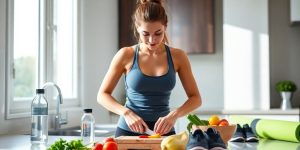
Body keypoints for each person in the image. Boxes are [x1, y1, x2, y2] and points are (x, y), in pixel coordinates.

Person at [97, 0, 202, 137]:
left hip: (164, 133)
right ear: (137, 28)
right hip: (128, 131)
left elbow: (196, 98)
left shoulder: (178, 56)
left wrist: (174, 115)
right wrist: (126, 112)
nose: (152, 40)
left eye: (158, 33)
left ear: (165, 26)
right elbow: (102, 95)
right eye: (145, 34)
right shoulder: (126, 54)